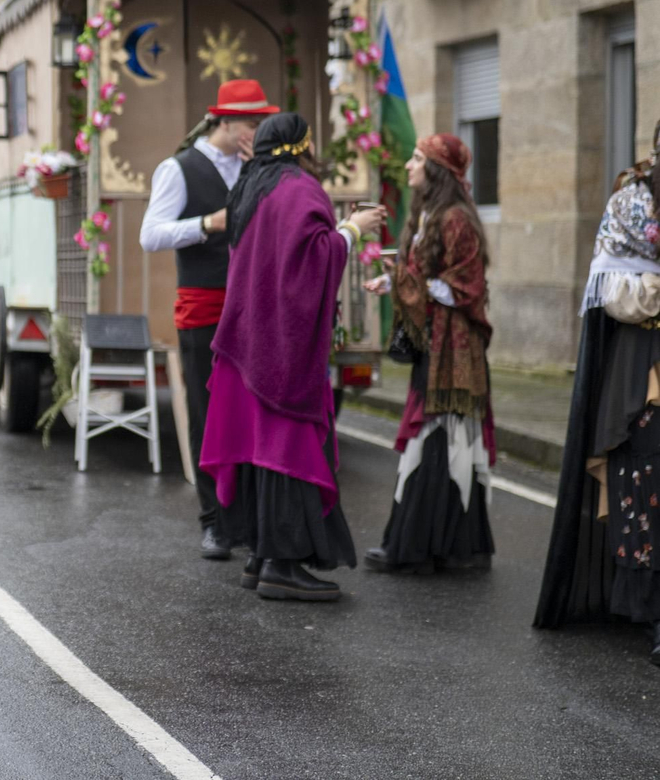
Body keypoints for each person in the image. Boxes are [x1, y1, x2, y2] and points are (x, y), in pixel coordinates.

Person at [199, 112, 385, 603]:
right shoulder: (300, 188)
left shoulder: (247, 187)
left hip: (245, 341)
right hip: (282, 347)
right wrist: (352, 229)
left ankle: (260, 556)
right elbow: (313, 259)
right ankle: (282, 565)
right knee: (288, 451)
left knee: (260, 452)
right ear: (302, 144)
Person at [536, 122, 660, 663]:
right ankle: (653, 611)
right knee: (645, 475)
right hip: (643, 365)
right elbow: (614, 291)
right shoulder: (631, 203)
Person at [139, 78, 274, 560]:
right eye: (252, 123)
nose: (257, 132)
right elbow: (150, 235)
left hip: (253, 305)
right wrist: (207, 224)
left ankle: (249, 515)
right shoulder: (178, 169)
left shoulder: (256, 165)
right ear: (224, 122)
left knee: (253, 410)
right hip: (204, 304)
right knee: (206, 410)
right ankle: (213, 520)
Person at [362, 135, 495, 573]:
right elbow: (425, 280)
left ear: (436, 171)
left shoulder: (455, 219)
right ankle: (448, 546)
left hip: (454, 351)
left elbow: (463, 290)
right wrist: (392, 282)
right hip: (435, 346)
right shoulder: (432, 215)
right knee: (437, 436)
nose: (408, 164)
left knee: (444, 436)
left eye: (417, 158)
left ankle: (424, 547)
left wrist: (402, 280)